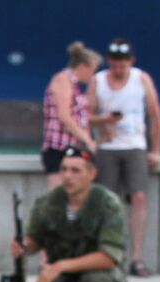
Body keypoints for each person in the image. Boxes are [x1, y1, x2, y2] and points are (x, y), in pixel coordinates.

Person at [13, 147, 127, 282]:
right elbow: (36, 238)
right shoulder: (48, 203)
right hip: (65, 278)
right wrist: (24, 246)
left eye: (75, 170)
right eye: (64, 169)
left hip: (100, 273)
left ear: (91, 174)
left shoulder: (107, 203)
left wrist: (59, 266)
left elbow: (108, 257)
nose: (68, 176)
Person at [89, 39, 160, 278]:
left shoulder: (141, 79)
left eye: (123, 64)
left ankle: (137, 257)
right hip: (108, 146)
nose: (118, 69)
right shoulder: (98, 81)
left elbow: (155, 114)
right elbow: (85, 115)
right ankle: (107, 253)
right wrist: (104, 121)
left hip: (135, 145)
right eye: (114, 64)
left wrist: (156, 149)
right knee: (107, 200)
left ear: (131, 61)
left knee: (139, 196)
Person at [41, 42, 102, 189]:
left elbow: (80, 118)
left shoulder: (74, 85)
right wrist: (88, 140)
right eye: (93, 70)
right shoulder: (62, 80)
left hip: (73, 147)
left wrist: (106, 121)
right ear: (83, 66)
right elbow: (65, 117)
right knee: (58, 193)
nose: (93, 75)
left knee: (74, 193)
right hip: (59, 147)